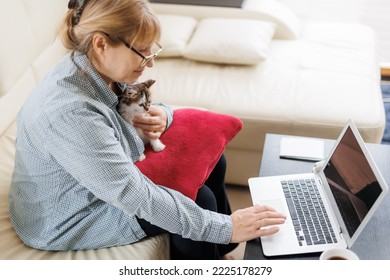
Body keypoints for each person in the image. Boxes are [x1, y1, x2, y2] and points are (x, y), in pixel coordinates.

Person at [8, 0, 286, 260]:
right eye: (142, 52)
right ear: (102, 43)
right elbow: (132, 194)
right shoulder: (70, 113)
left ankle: (218, 252)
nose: (150, 62)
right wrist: (224, 226)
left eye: (153, 49)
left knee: (210, 155)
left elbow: (137, 100)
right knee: (200, 200)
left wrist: (162, 114)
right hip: (69, 214)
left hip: (97, 174)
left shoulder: (93, 65)